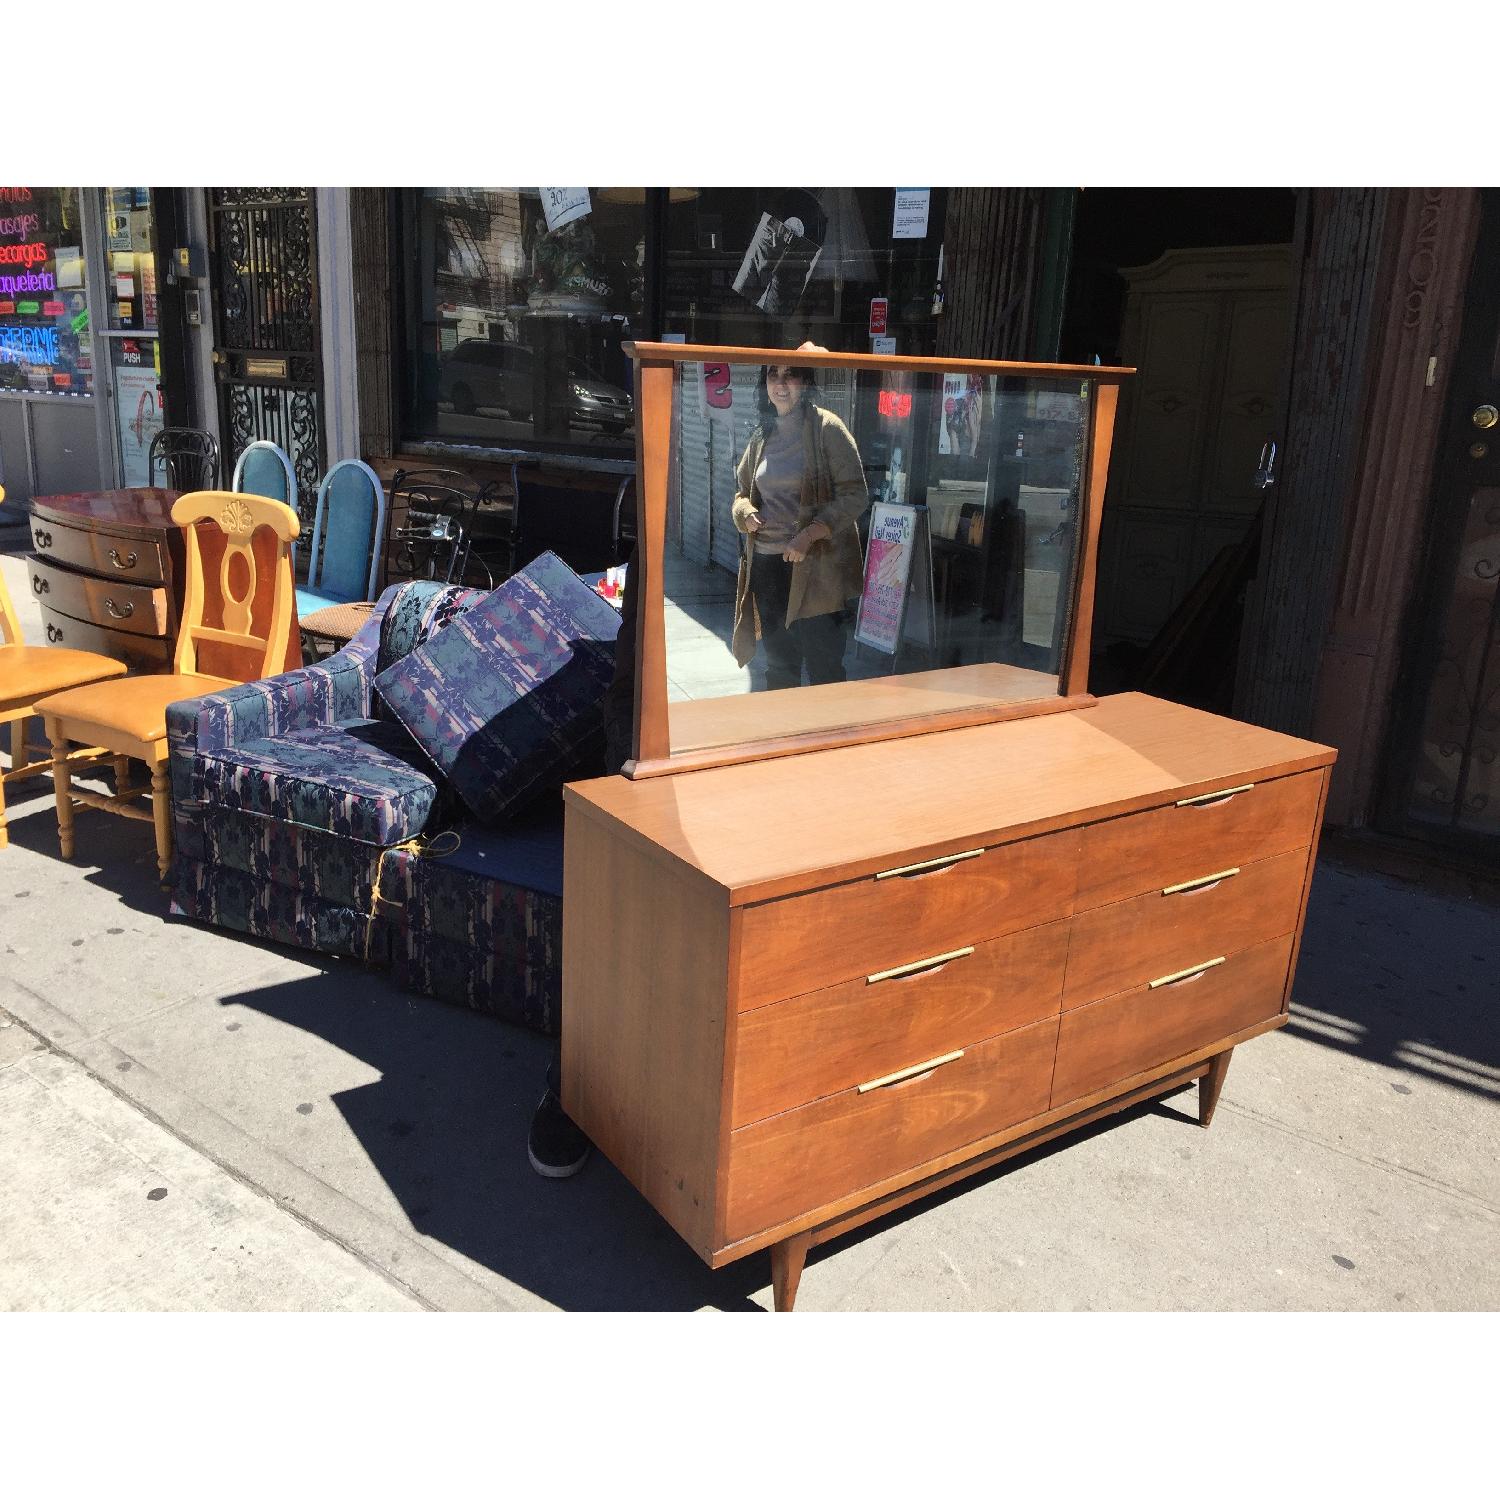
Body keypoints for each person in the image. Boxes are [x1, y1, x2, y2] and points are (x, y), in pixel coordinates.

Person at [730, 360, 869, 689]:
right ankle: (783, 725)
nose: (780, 383)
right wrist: (745, 513)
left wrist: (809, 534)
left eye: (790, 374)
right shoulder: (762, 435)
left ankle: (825, 726)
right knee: (780, 667)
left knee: (825, 669)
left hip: (816, 570)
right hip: (767, 568)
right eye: (772, 374)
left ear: (805, 382)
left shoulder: (827, 428)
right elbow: (741, 493)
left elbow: (855, 495)